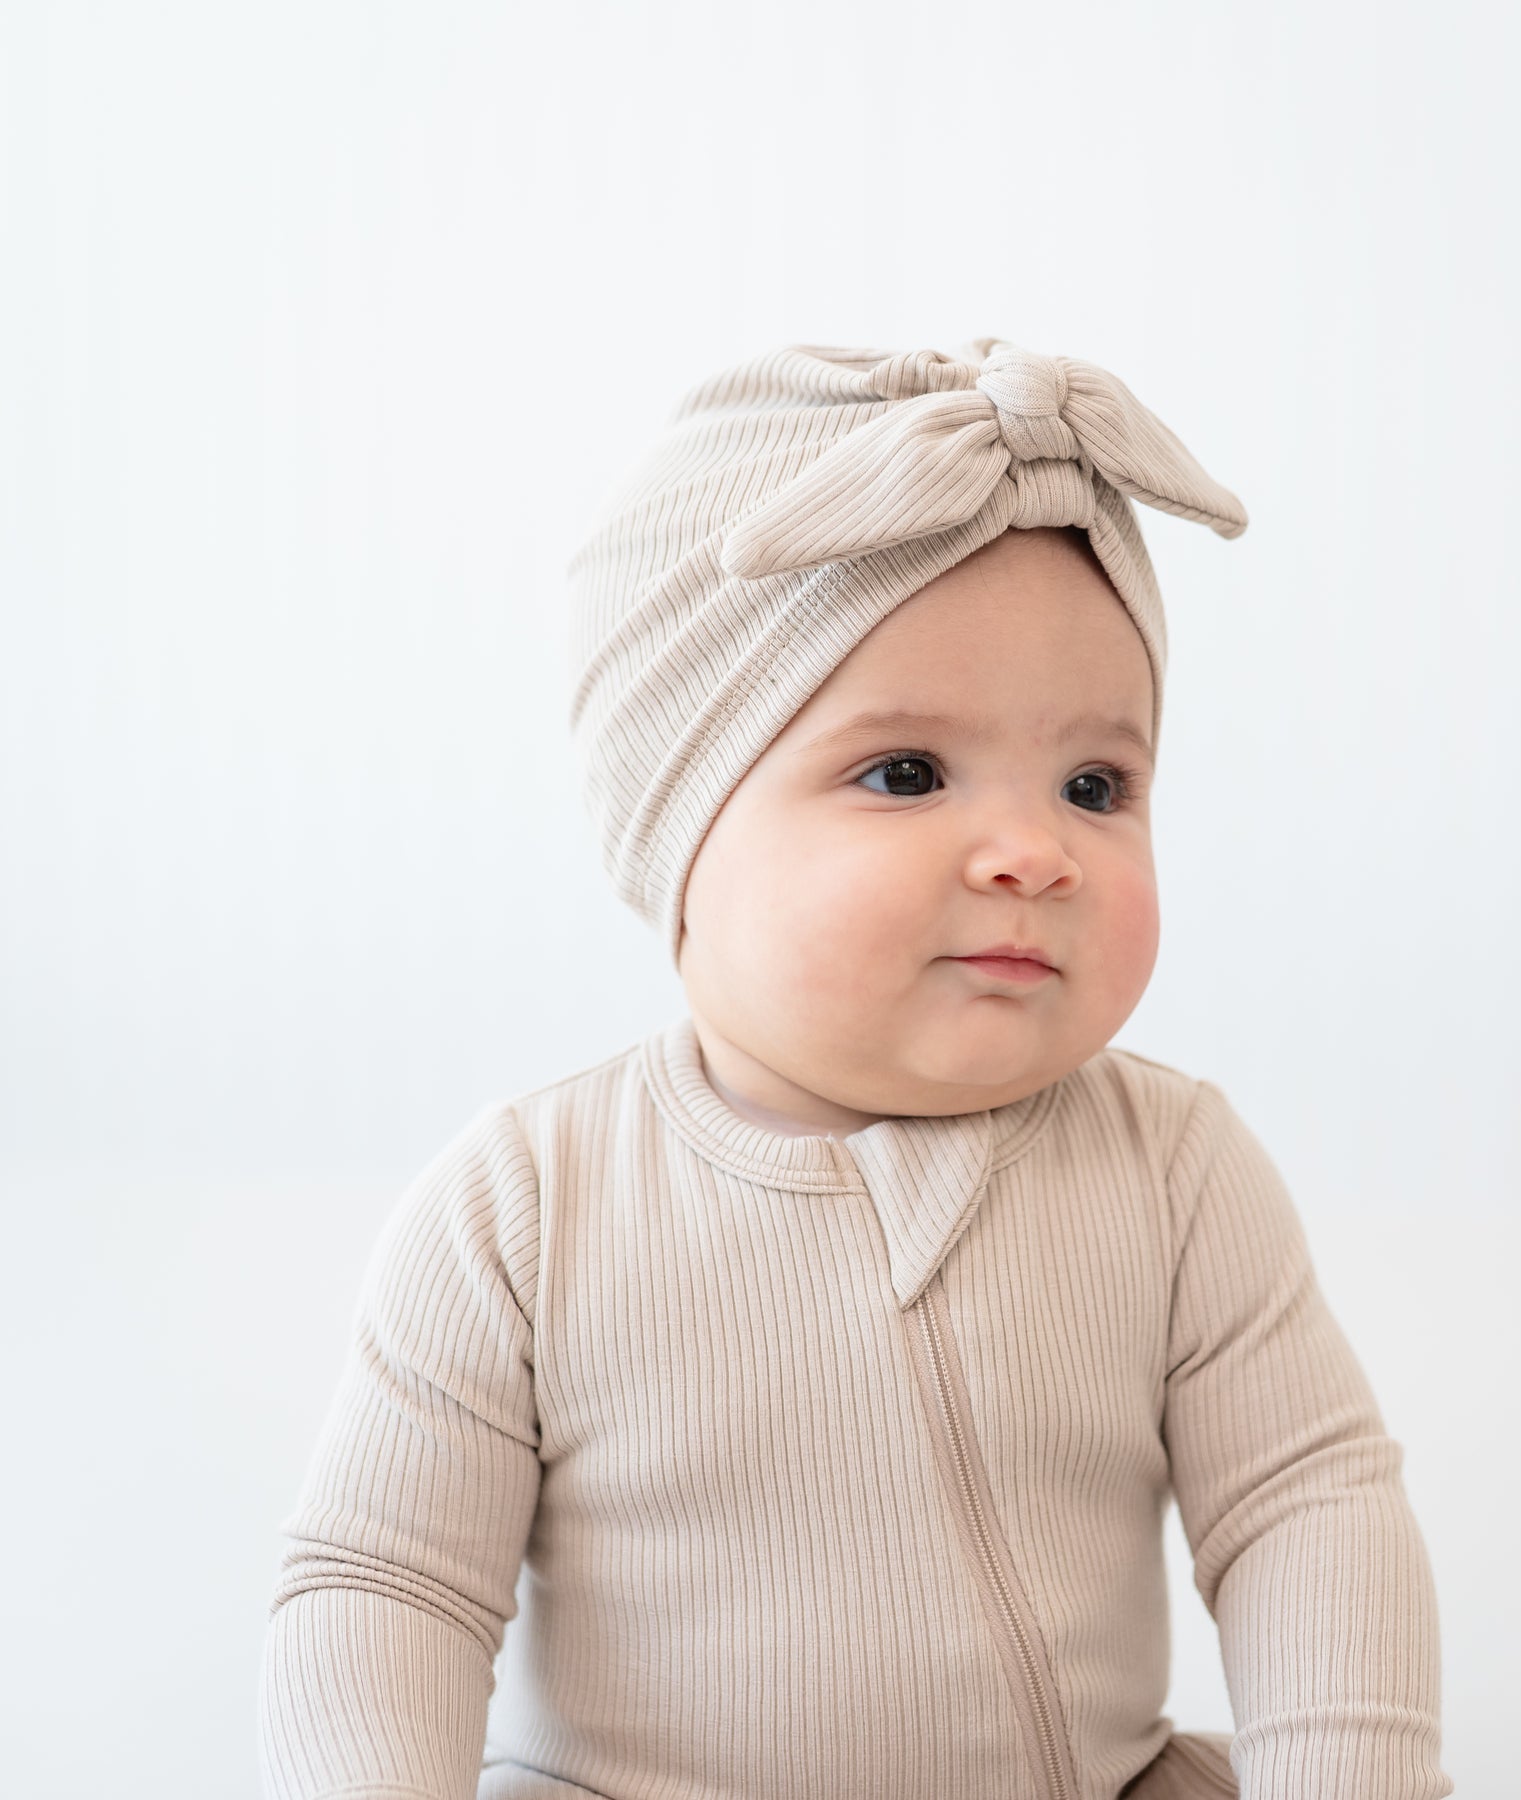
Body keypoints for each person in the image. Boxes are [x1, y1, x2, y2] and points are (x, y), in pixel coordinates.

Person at [257, 337, 1454, 1800]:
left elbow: (1306, 1507)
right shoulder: (527, 1206)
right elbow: (388, 1587)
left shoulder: (1176, 1169)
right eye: (905, 774)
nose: (1035, 851)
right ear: (684, 837)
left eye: (1097, 785)